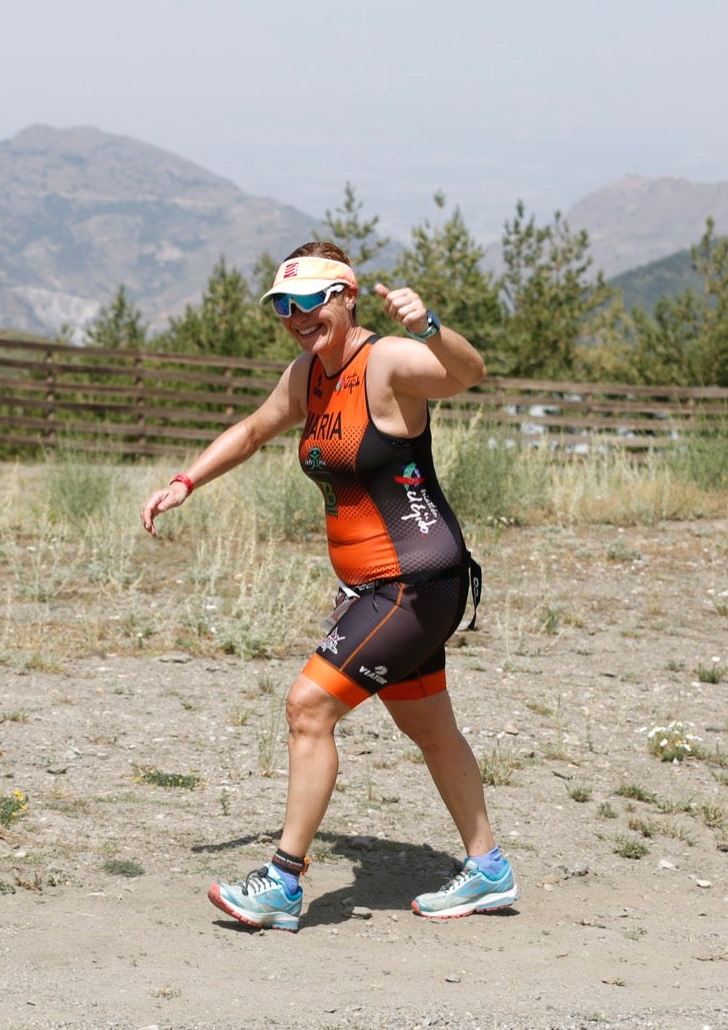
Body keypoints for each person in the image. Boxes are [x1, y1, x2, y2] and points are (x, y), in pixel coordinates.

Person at [139, 242, 517, 932]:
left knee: (308, 706)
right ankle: (487, 868)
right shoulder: (308, 375)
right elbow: (254, 430)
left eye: (308, 302)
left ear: (345, 296)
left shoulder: (389, 361)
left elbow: (468, 373)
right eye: (282, 306)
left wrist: (428, 326)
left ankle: (282, 883)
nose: (294, 317)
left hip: (413, 582)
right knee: (429, 725)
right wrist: (184, 481)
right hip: (384, 588)